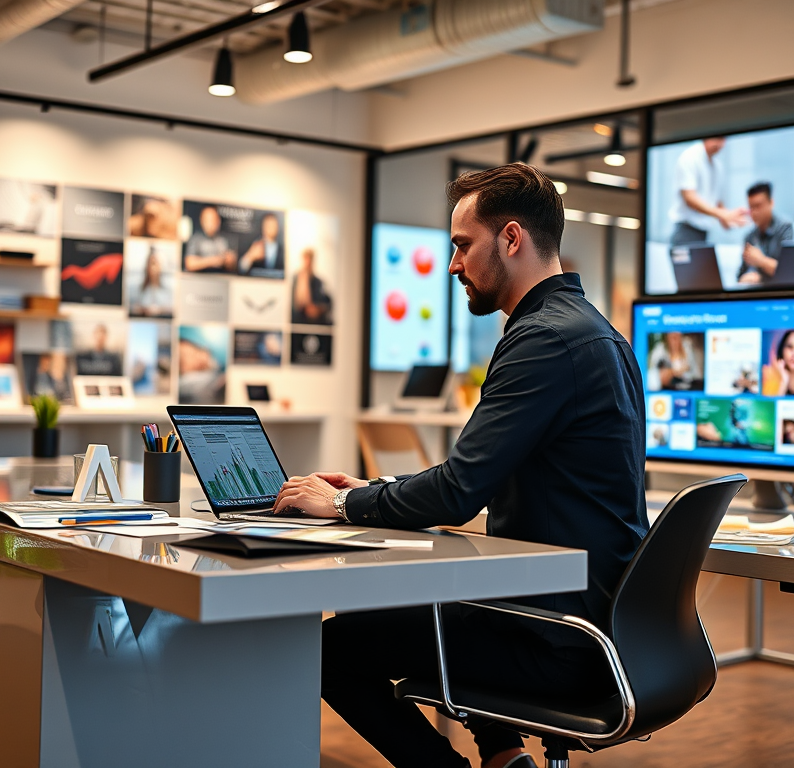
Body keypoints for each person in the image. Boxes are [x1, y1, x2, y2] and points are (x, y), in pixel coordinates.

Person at [272, 163, 648, 768]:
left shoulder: (544, 340)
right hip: (596, 620)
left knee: (328, 648)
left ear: (511, 239)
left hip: (556, 635)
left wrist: (342, 503)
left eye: (461, 245)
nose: (453, 265)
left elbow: (457, 493)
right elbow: (477, 475)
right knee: (406, 614)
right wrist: (376, 488)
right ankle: (504, 756)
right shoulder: (596, 333)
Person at [668, 137, 747, 247]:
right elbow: (690, 199)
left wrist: (730, 218)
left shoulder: (718, 166)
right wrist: (723, 214)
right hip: (685, 231)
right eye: (718, 138)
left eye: (723, 139)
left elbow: (717, 203)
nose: (720, 144)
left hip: (703, 233)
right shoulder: (690, 157)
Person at [737, 182, 794, 285]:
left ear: (771, 203)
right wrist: (744, 278)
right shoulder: (749, 237)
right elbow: (740, 274)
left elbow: (788, 272)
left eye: (758, 206)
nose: (754, 212)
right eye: (751, 208)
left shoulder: (785, 229)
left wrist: (761, 261)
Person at [184, 206, 236, 273]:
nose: (210, 223)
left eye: (212, 219)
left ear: (218, 221)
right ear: (201, 220)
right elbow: (189, 264)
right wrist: (214, 260)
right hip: (200, 279)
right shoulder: (195, 239)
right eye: (206, 220)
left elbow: (233, 264)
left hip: (221, 278)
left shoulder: (225, 239)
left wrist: (229, 261)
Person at [290, 247, 333, 324]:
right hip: (300, 318)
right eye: (306, 259)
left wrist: (318, 309)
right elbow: (298, 304)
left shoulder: (318, 282)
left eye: (310, 259)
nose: (308, 262)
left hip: (316, 319)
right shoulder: (297, 278)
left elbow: (326, 302)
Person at [130, 247, 174, 317]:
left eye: (154, 263)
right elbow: (131, 307)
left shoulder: (169, 289)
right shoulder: (138, 288)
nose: (152, 268)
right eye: (150, 264)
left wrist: (160, 310)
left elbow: (173, 308)